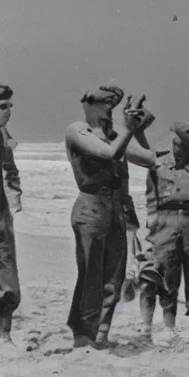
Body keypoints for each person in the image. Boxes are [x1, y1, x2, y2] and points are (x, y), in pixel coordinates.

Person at [65, 87, 156, 348]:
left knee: (113, 280)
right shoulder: (77, 129)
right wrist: (128, 129)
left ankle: (100, 335)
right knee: (90, 276)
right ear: (88, 104)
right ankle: (83, 336)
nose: (109, 110)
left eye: (113, 105)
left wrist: (138, 130)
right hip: (91, 208)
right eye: (106, 104)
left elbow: (148, 159)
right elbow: (109, 153)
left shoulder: (115, 134)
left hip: (116, 210)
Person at [136, 122, 189, 344]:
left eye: (180, 145)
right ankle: (168, 327)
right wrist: (152, 218)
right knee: (163, 275)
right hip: (165, 222)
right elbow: (151, 193)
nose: (175, 149)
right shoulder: (161, 166)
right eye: (174, 144)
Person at [0, 84, 22, 349]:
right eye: (3, 106)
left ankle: (4, 334)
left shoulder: (2, 136)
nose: (9, 111)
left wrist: (15, 198)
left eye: (10, 105)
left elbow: (10, 171)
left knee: (8, 281)